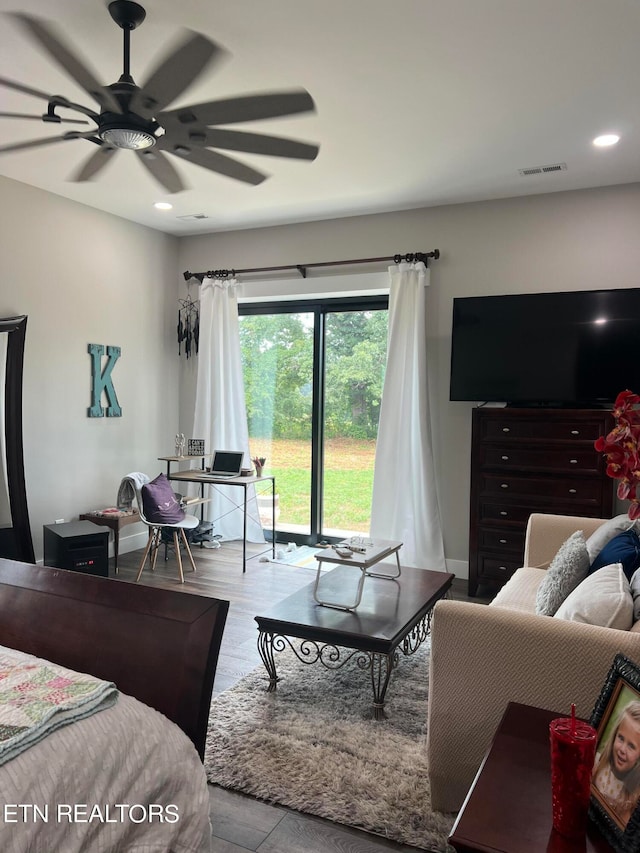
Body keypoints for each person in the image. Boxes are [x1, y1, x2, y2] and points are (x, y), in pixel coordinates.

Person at [592, 700, 640, 828]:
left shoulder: (633, 795)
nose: (622, 749)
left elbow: (621, 832)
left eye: (631, 746)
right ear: (614, 735)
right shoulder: (599, 763)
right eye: (621, 738)